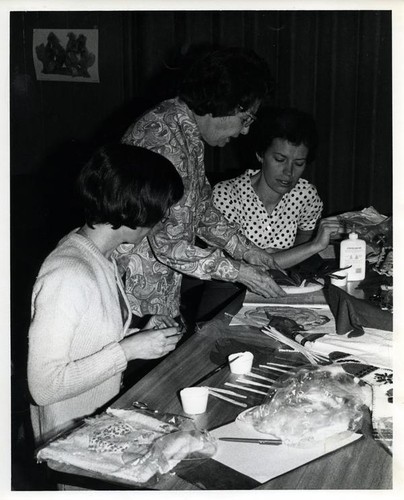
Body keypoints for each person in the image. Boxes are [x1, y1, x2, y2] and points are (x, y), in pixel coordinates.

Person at [27, 144, 184, 445]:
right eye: (161, 208)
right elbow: (43, 387)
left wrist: (139, 333)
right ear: (136, 207)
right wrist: (128, 351)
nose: (163, 217)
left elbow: (85, 338)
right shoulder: (69, 274)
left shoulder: (97, 253)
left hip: (98, 427)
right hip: (69, 443)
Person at [115, 46, 286, 321]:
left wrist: (247, 250)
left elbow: (200, 210)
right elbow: (168, 244)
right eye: (245, 119)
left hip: (156, 290)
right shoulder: (162, 140)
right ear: (222, 102)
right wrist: (238, 271)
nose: (246, 131)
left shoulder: (182, 128)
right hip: (130, 297)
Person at [212, 106, 341, 268]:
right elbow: (235, 267)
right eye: (280, 160)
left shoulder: (305, 195)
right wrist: (313, 246)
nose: (289, 172)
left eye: (299, 163)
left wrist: (292, 254)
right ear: (261, 154)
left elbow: (303, 241)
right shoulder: (227, 195)